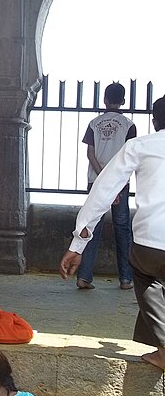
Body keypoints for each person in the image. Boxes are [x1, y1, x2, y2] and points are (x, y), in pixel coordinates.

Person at [60, 96, 165, 370]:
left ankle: (164, 347)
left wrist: (78, 243)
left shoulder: (141, 145)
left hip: (150, 246)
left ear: (155, 121)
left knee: (147, 275)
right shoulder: (128, 127)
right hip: (150, 245)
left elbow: (103, 190)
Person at [76, 82, 136, 290]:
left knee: (91, 227)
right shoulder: (129, 125)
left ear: (105, 99)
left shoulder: (94, 123)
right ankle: (126, 279)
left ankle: (84, 277)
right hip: (120, 183)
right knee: (122, 228)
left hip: (95, 181)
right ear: (123, 101)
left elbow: (90, 154)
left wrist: (103, 181)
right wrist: (115, 185)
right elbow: (128, 158)